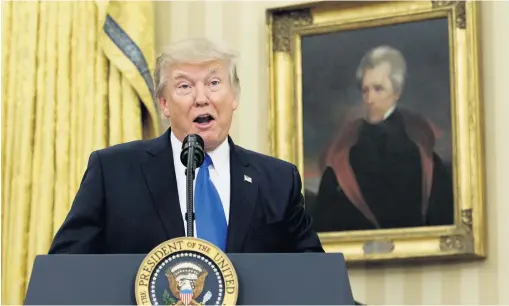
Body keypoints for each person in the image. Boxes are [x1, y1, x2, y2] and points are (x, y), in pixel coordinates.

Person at [48, 38, 323, 254]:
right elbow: (67, 270)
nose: (201, 98)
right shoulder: (113, 172)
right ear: (164, 103)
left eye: (214, 83)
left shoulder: (278, 180)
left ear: (234, 96)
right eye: (184, 86)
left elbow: (312, 277)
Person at [312, 45, 454, 232]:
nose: (370, 99)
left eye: (378, 89)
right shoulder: (346, 145)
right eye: (365, 90)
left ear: (397, 93)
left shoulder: (418, 143)